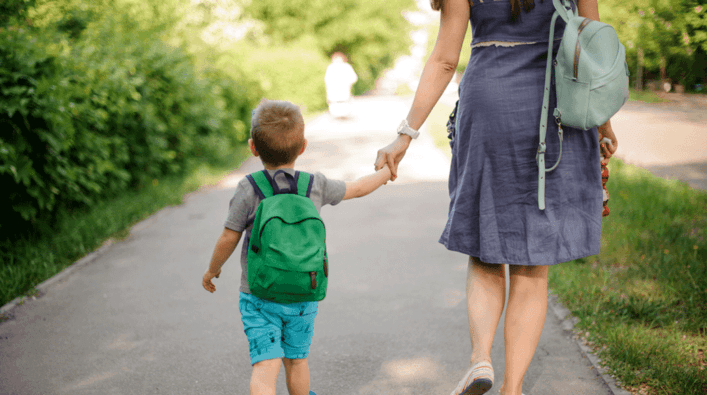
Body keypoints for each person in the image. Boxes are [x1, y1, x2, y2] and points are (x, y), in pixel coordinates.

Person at [374, 1, 619, 395]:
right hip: (556, 107)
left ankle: (480, 359)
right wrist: (603, 124)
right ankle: (513, 388)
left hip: (489, 103)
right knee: (532, 264)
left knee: (487, 248)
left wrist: (406, 134)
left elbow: (444, 61)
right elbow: (593, 49)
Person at [202, 100, 391, 395]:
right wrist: (385, 173)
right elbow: (357, 188)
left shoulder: (249, 188)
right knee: (297, 361)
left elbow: (229, 236)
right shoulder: (313, 185)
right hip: (304, 292)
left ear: (253, 147)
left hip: (258, 294)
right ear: (302, 146)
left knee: (266, 365)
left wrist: (212, 271)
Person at [324, 52, 358, 118]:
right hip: (333, 90)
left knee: (343, 103)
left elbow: (353, 78)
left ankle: (343, 116)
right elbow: (327, 80)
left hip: (344, 89)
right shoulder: (331, 67)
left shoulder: (346, 67)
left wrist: (348, 83)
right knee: (336, 104)